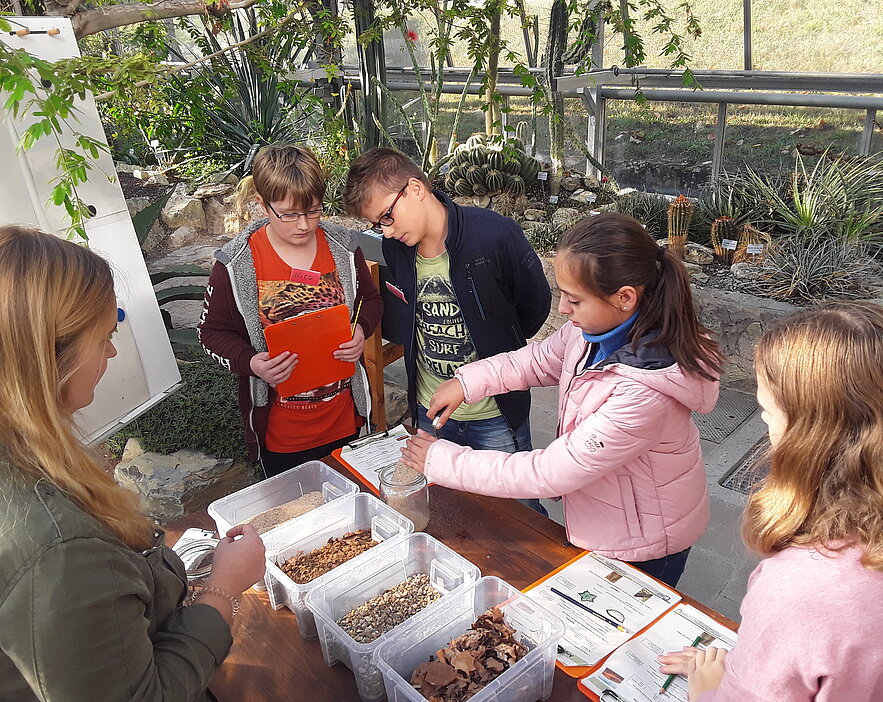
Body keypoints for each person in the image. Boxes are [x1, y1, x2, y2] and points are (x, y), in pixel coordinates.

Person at [0, 225, 266, 701]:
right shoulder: (59, 549)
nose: (111, 351)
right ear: (48, 356)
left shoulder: (26, 458)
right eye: (102, 336)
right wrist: (224, 587)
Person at [400, 213, 724, 586]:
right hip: (608, 514)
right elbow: (537, 360)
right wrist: (467, 381)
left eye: (574, 299)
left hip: (645, 542)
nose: (563, 310)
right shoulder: (591, 331)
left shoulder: (643, 393)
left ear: (624, 298)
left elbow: (550, 472)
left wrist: (441, 460)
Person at [658, 303, 883, 701]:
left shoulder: (802, 588)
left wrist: (709, 689)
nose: (766, 424)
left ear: (812, 435)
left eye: (768, 412)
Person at [343, 148, 552, 512]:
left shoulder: (495, 235)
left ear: (415, 189)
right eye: (379, 224)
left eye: (388, 217)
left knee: (518, 511)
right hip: (431, 409)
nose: (387, 231)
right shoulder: (398, 249)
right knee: (447, 507)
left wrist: (500, 339)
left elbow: (534, 306)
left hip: (494, 412)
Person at [199, 144, 383, 476]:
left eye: (313, 211)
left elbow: (371, 302)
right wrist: (252, 362)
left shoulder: (343, 248)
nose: (303, 225)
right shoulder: (236, 262)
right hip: (282, 435)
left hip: (345, 420)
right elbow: (211, 334)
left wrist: (360, 330)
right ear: (262, 204)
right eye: (289, 214)